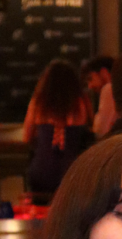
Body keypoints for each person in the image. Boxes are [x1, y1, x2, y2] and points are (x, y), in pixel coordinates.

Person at [23, 59, 94, 195]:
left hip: (41, 172)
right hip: (74, 173)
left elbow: (26, 137)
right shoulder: (81, 103)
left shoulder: (38, 103)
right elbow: (90, 133)